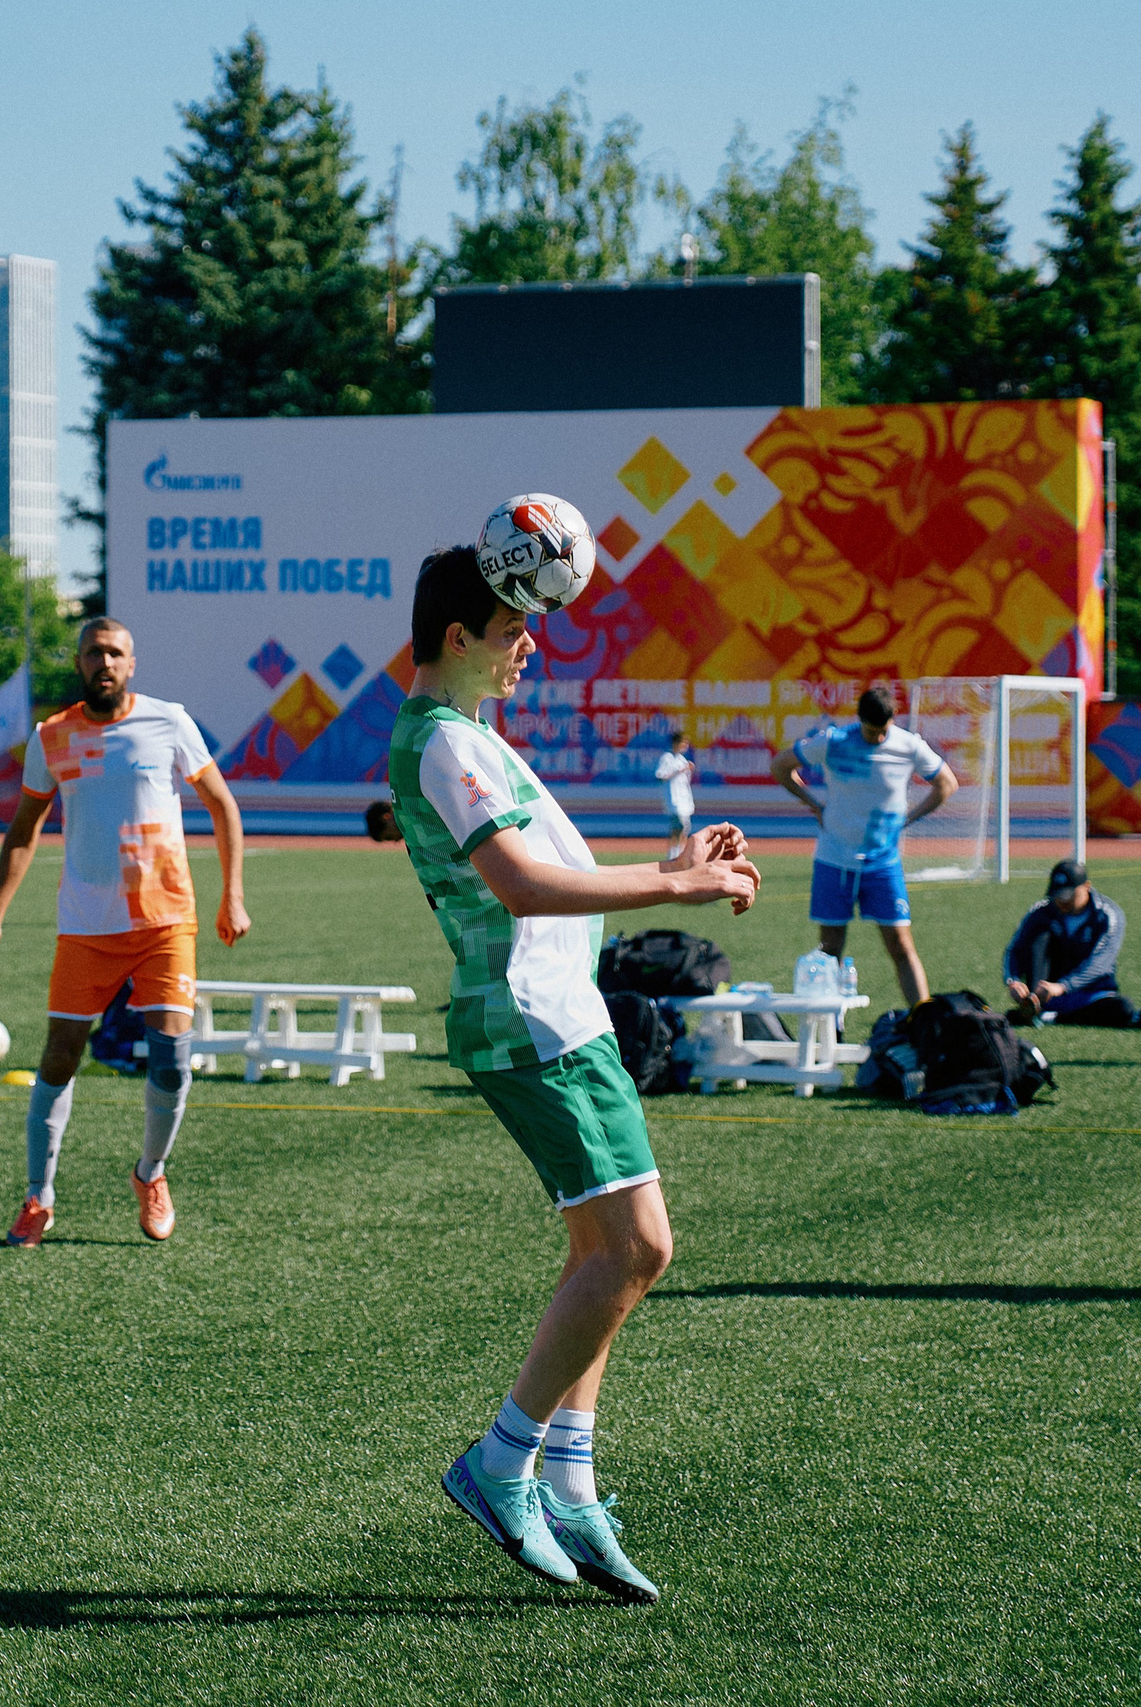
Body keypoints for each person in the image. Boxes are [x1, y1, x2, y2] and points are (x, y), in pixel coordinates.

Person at [390, 544, 760, 1605]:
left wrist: (676, 857)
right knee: (639, 1248)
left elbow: (546, 862)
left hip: (558, 1019)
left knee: (603, 1258)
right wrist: (675, 885)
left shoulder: (465, 737)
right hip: (533, 1024)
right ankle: (501, 1464)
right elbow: (516, 884)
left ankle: (572, 1482)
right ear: (456, 638)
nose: (527, 647)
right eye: (510, 631)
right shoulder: (445, 744)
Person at [0, 618, 249, 1248]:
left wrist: (231, 894)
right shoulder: (53, 736)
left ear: (132, 662)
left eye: (116, 653)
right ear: (79, 662)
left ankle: (150, 1174)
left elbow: (222, 805)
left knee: (173, 1063)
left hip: (165, 920)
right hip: (86, 927)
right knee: (60, 1057)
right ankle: (38, 1197)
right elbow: (24, 828)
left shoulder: (168, 721)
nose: (106, 662)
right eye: (95, 652)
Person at [771, 687, 958, 1011]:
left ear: (893, 721)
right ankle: (830, 1028)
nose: (878, 737)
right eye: (872, 732)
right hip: (834, 859)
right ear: (859, 722)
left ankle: (925, 1022)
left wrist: (911, 817)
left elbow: (947, 784)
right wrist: (813, 804)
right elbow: (780, 765)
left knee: (901, 945)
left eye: (884, 730)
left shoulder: (908, 745)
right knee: (829, 951)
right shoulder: (833, 741)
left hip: (883, 863)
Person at [1002, 859, 1134, 1027]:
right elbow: (1014, 949)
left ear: (1086, 886)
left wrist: (1064, 986)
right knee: (1040, 935)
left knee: (1122, 1009)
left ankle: (1049, 1017)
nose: (1063, 901)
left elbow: (1101, 964)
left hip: (1091, 994)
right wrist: (1012, 980)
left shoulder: (1107, 914)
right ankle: (1036, 1005)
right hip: (1047, 993)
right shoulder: (1042, 910)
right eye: (1058, 894)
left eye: (1070, 894)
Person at [655, 733, 697, 857]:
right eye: (683, 743)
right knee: (678, 826)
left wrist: (688, 770)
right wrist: (678, 771)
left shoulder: (681, 759)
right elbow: (660, 776)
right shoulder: (667, 758)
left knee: (685, 828)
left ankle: (681, 852)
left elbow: (685, 781)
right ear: (675, 743)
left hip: (685, 799)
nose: (685, 746)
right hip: (674, 799)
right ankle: (672, 853)